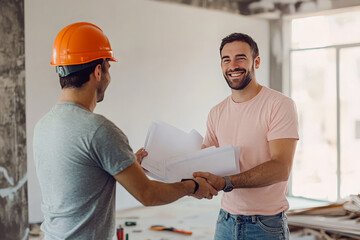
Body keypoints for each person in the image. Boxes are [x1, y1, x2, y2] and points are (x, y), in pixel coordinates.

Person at [33, 22, 217, 240]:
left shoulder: (43, 125)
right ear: (98, 71)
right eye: (108, 68)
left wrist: (125, 164)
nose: (109, 76)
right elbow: (148, 195)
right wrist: (192, 186)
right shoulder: (99, 129)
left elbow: (80, 180)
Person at [193, 33, 299, 240]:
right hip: (225, 221)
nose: (232, 65)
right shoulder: (217, 112)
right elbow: (205, 161)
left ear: (256, 62)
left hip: (265, 225)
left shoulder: (278, 105)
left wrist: (226, 182)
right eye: (226, 59)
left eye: (240, 58)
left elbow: (281, 168)